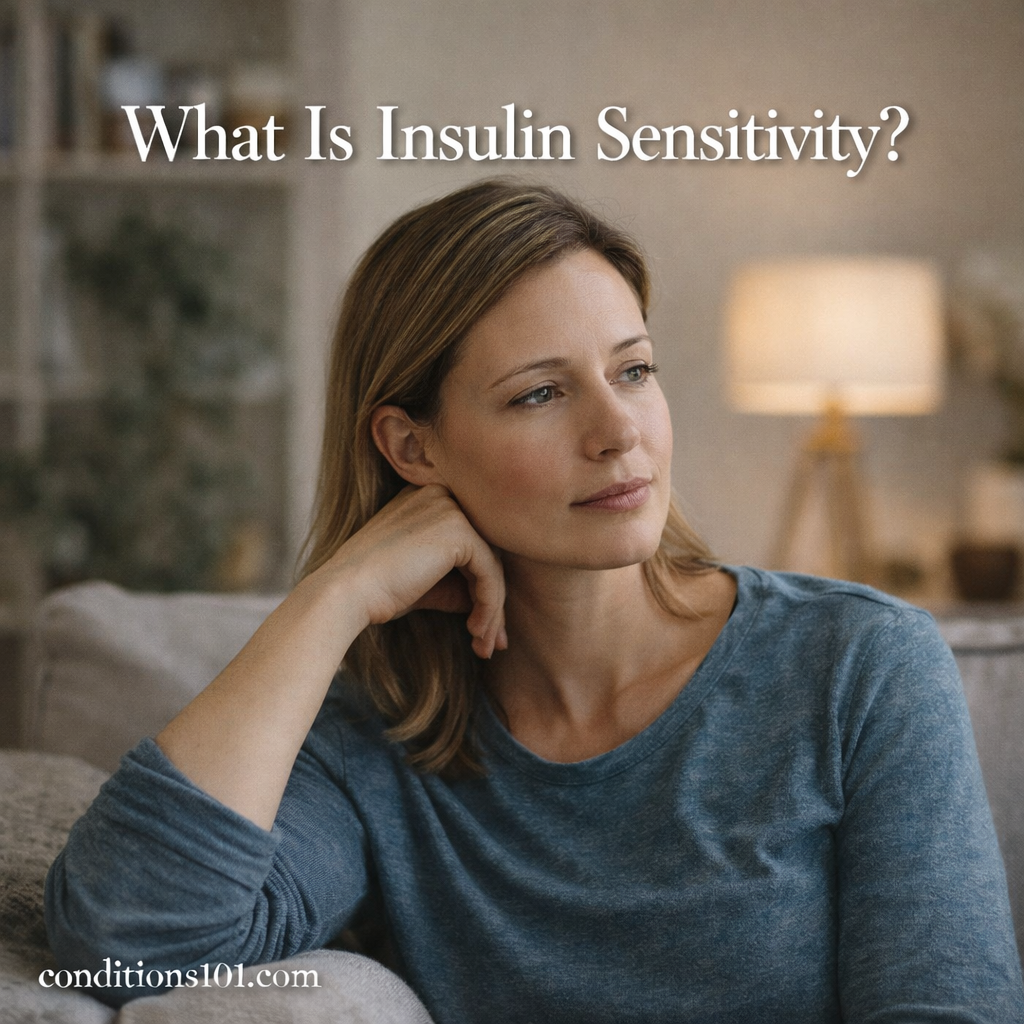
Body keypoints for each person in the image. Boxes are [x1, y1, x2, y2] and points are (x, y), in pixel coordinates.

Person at [46, 179, 1024, 1022]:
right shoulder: (378, 742)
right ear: (411, 447)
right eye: (538, 395)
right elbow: (125, 944)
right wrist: (331, 595)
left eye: (632, 370)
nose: (618, 432)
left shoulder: (859, 663)